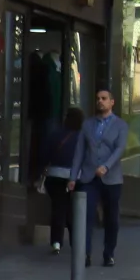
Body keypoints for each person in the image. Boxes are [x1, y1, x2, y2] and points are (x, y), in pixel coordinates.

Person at [71, 89, 128, 267]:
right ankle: (85, 254)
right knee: (85, 216)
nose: (100, 101)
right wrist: (73, 177)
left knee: (111, 218)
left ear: (112, 102)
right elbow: (79, 151)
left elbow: (119, 149)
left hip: (112, 179)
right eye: (98, 99)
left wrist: (106, 166)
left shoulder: (120, 125)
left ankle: (109, 253)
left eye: (104, 98)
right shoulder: (87, 125)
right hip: (89, 178)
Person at [41, 107, 84, 254]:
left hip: (55, 175)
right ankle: (76, 241)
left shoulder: (55, 134)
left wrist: (41, 170)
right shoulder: (82, 138)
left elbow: (45, 154)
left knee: (58, 208)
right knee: (73, 209)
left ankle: (56, 242)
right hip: (76, 177)